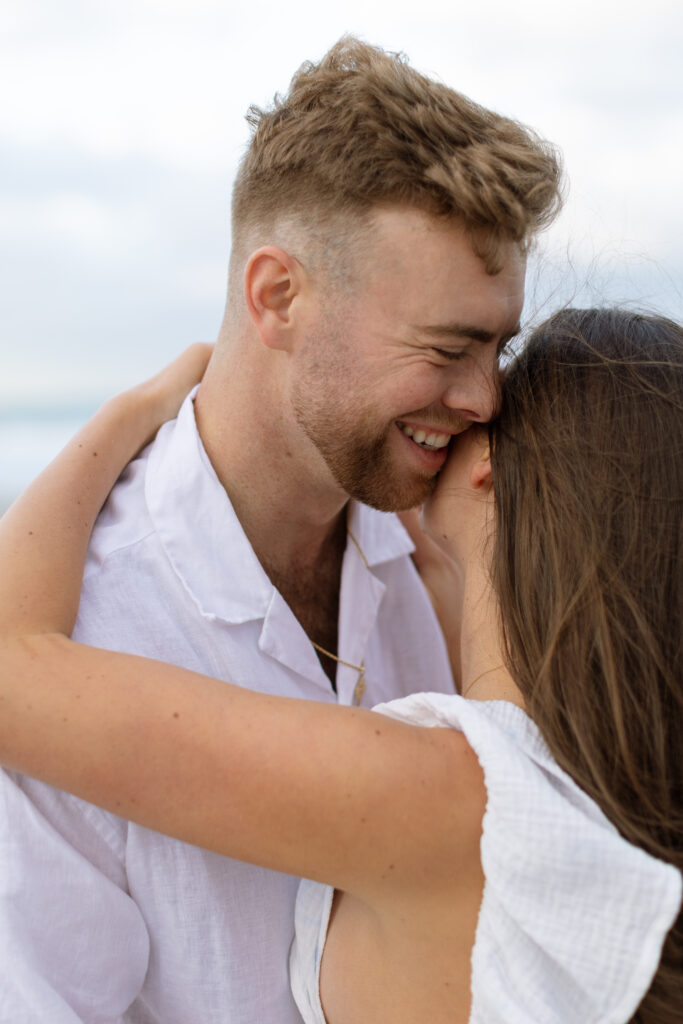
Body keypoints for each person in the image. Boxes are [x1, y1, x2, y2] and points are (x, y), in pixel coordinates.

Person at [0, 37, 563, 1023]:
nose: (481, 399)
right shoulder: (87, 632)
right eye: (447, 348)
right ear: (277, 296)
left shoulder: (454, 574)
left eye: (496, 346)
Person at [0, 306, 681, 1024]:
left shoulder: (446, 800)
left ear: (491, 469)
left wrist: (140, 408)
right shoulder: (608, 788)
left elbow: (12, 672)